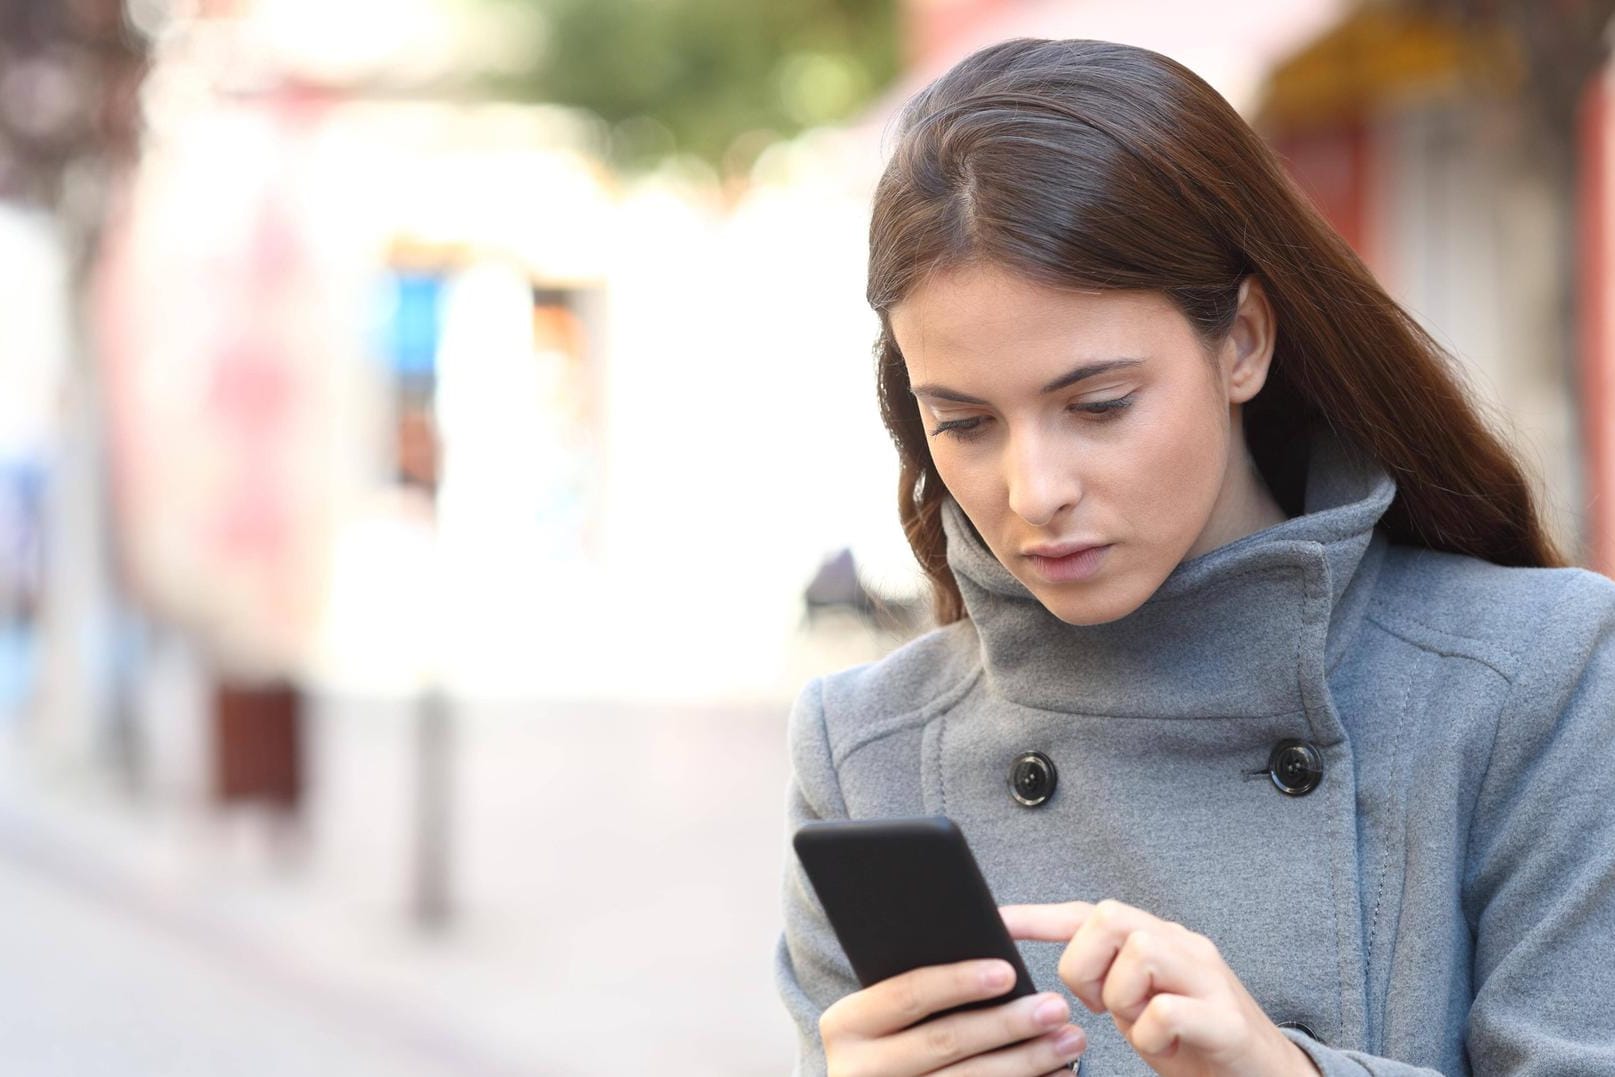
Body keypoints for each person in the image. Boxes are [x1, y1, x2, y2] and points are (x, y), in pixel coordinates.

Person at [774, 37, 1615, 1077]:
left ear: (1243, 342)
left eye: (1098, 405)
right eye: (965, 422)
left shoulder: (1535, 676)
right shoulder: (866, 751)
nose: (1034, 491)